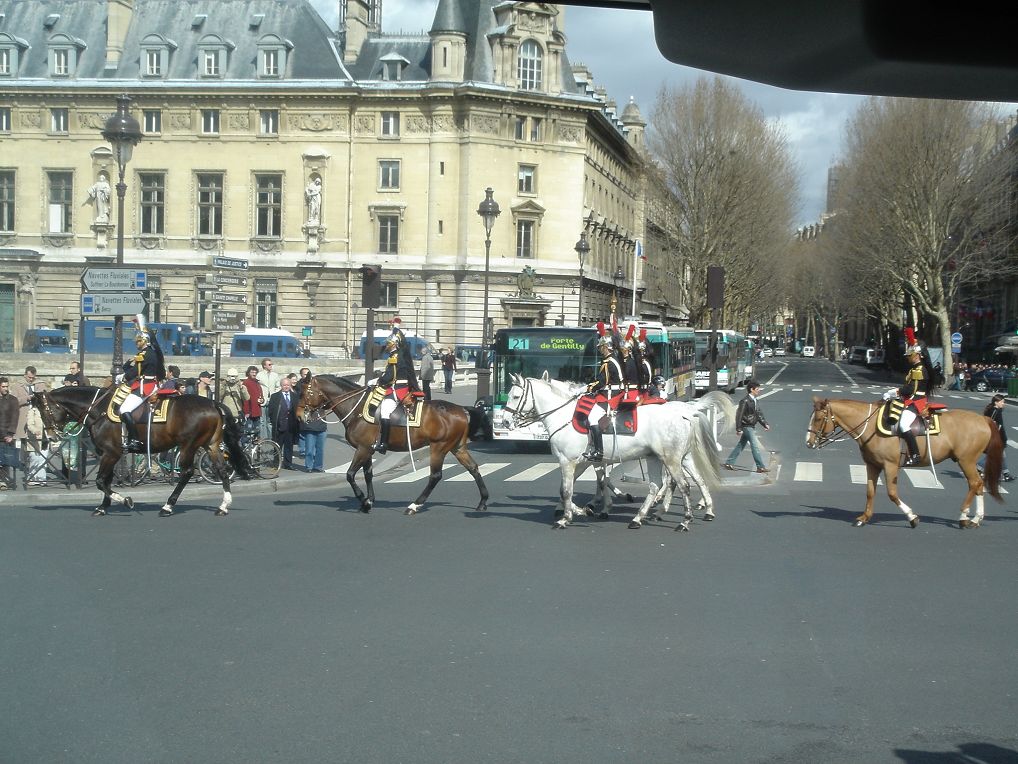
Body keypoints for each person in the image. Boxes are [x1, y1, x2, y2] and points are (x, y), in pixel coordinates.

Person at [883, 327, 934, 466]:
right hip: (911, 399)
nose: (907, 357)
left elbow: (912, 389)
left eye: (909, 354)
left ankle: (916, 454)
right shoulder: (915, 369)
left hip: (916, 402)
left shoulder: (919, 369)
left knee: (904, 424)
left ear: (917, 355)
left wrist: (895, 392)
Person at [371, 317, 422, 454]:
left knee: (385, 412)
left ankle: (384, 443)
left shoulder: (395, 356)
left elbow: (391, 376)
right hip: (398, 386)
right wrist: (395, 326)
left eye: (388, 343)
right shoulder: (398, 354)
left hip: (398, 389)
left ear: (394, 344)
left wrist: (378, 381)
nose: (386, 345)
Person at [579, 322, 625, 462]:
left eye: (601, 348)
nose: (600, 350)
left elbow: (602, 382)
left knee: (592, 418)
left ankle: (599, 451)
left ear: (606, 347)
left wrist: (587, 388)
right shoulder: (612, 359)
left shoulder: (608, 362)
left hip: (611, 396)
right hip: (611, 392)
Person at [117, 320, 165, 452]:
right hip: (150, 384)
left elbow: (136, 372)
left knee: (124, 409)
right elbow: (135, 369)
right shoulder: (153, 353)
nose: (136, 343)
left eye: (138, 341)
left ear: (144, 341)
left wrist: (123, 377)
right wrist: (127, 365)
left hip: (146, 387)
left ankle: (134, 439)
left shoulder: (144, 355)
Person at [723, 379, 771, 473]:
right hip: (747, 426)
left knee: (741, 445)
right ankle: (760, 466)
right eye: (757, 389)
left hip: (751, 426)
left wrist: (765, 424)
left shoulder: (755, 400)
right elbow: (739, 415)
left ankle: (729, 462)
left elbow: (759, 414)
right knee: (755, 446)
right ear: (752, 390)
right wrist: (738, 428)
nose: (759, 390)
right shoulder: (745, 401)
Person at [978, 394, 1013, 481]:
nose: (1003, 404)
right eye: (1002, 402)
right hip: (995, 438)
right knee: (994, 455)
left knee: (1001, 455)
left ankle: (1005, 473)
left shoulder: (997, 410)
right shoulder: (995, 411)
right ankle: (978, 468)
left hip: (998, 437)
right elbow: (990, 424)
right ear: (996, 402)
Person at [267, 376, 299, 469]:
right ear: (281, 386)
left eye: (288, 385)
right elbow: (271, 411)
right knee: (277, 445)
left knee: (289, 446)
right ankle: (276, 464)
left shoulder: (295, 396)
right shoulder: (275, 396)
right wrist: (274, 422)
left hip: (291, 426)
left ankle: (288, 464)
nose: (286, 387)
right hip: (279, 425)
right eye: (284, 385)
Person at [299, 379, 328, 473]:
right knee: (310, 450)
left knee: (320, 450)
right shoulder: (306, 397)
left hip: (321, 426)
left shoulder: (322, 398)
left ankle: (318, 466)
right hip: (310, 427)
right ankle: (309, 467)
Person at [0, 377, 18, 489]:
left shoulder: (12, 400)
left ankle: (3, 481)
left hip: (5, 434)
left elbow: (14, 417)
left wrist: (11, 433)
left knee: (4, 459)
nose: (5, 389)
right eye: (3, 386)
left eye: (7, 386)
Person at [256, 358, 281, 440]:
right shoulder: (259, 375)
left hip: (272, 400)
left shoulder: (275, 375)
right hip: (263, 400)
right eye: (269, 364)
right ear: (264, 365)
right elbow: (257, 387)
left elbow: (278, 386)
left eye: (271, 364)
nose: (271, 366)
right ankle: (262, 438)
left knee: (270, 421)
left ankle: (271, 438)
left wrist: (274, 395)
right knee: (262, 421)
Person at [240, 366, 264, 437]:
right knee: (248, 432)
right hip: (249, 412)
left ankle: (256, 447)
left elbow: (260, 395)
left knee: (257, 432)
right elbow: (245, 399)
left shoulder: (257, 383)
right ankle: (246, 446)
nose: (254, 374)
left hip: (257, 410)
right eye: (252, 372)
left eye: (255, 372)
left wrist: (262, 400)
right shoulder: (246, 383)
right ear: (248, 373)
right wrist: (246, 411)